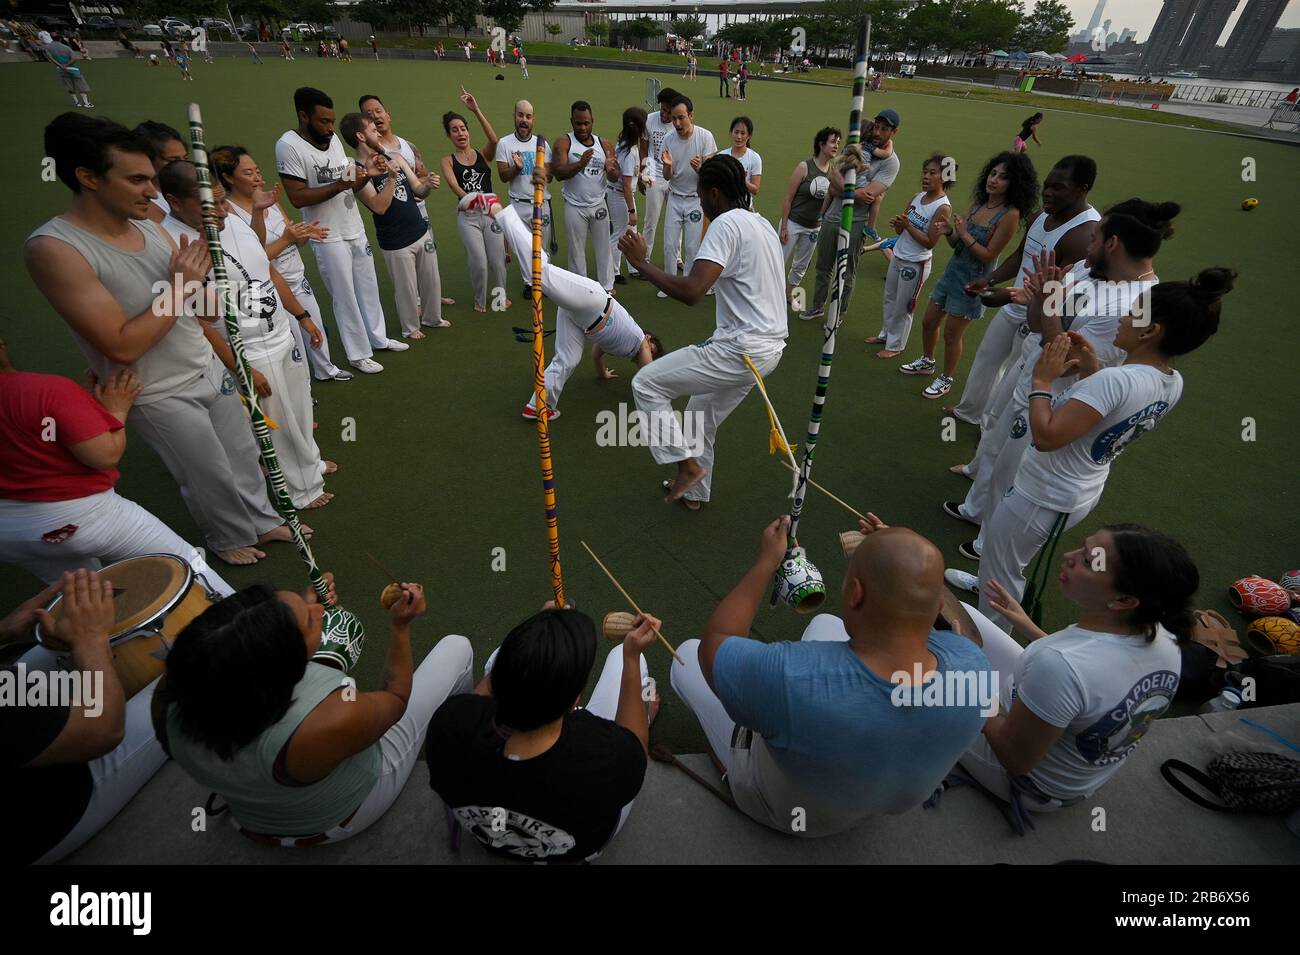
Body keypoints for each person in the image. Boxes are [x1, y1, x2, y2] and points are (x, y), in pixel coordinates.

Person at [26, 113, 296, 567]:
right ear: (88, 178)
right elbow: (122, 344)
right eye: (137, 180)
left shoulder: (148, 225)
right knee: (205, 470)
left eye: (152, 179)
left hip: (204, 363)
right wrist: (182, 288)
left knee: (244, 451)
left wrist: (206, 292)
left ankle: (263, 520)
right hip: (156, 388)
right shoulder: (55, 249)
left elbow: (199, 305)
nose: (153, 192)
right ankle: (226, 536)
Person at [671, 514, 991, 836]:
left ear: (855, 593)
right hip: (875, 803)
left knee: (684, 657)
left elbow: (717, 643)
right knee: (824, 624)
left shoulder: (792, 677)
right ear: (937, 605)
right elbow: (966, 637)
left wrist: (766, 563)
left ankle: (736, 775)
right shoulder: (975, 668)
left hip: (793, 813)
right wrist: (910, 566)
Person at [974, 265, 1231, 632]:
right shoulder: (1170, 381)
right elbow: (1108, 415)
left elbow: (1046, 437)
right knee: (1006, 562)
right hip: (1075, 489)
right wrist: (1092, 369)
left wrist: (1042, 381)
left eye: (1134, 312)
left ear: (1152, 330)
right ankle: (990, 591)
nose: (1125, 317)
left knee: (1002, 569)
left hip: (1043, 494)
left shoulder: (1116, 381)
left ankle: (991, 645)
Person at [154, 580, 473, 844]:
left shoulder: (173, 691)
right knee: (457, 648)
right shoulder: (329, 720)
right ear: (282, 665)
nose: (319, 610)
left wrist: (299, 603)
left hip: (252, 817)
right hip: (338, 816)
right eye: (309, 619)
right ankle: (462, 746)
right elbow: (396, 698)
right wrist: (401, 627)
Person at [947, 198, 1167, 576]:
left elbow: (1064, 355)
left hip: (1053, 399)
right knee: (995, 450)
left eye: (1095, 237)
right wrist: (1043, 300)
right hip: (1034, 373)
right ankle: (976, 510)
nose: (1087, 245)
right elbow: (1039, 323)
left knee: (1012, 475)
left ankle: (988, 547)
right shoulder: (1091, 269)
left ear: (1114, 244)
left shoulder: (1131, 304)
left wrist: (1047, 302)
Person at [964, 525, 1194, 811]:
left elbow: (1014, 759)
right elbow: (1083, 675)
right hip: (1070, 771)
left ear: (1124, 600)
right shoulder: (1164, 637)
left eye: (1087, 561)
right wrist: (1027, 625)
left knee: (921, 673)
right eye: (1082, 549)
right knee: (964, 615)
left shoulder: (1059, 665)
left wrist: (970, 689)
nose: (1068, 556)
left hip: (1024, 783)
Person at [159, 160, 335, 512]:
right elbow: (199, 321)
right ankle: (299, 489)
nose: (222, 211)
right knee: (275, 422)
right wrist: (239, 366)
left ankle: (310, 464)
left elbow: (265, 268)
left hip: (279, 332)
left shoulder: (232, 220)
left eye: (224, 201)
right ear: (176, 202)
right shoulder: (172, 243)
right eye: (211, 205)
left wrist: (301, 315)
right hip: (248, 349)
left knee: (298, 406)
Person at [0, 338, 232, 594]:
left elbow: (39, 435)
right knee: (185, 566)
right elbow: (104, 455)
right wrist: (115, 411)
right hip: (82, 516)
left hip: (8, 536)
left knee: (88, 598)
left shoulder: (44, 394)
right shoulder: (45, 390)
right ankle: (251, 629)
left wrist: (82, 412)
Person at [426, 605, 655, 862]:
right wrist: (632, 656)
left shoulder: (448, 725)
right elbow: (635, 744)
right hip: (578, 851)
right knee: (621, 658)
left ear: (501, 680)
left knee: (494, 657)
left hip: (488, 838)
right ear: (573, 703)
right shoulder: (602, 753)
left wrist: (538, 638)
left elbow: (480, 698)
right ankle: (645, 712)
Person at [618, 155, 784, 508]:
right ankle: (695, 491)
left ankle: (688, 467)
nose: (700, 204)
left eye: (699, 195)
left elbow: (693, 292)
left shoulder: (725, 225)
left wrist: (641, 264)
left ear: (713, 193)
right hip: (769, 350)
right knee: (698, 414)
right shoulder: (763, 224)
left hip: (742, 349)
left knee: (646, 383)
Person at [2, 570, 169, 863]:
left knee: (52, 648)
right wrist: (90, 640)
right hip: (52, 805)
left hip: (11, 701)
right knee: (201, 661)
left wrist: (3, 631)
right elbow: (103, 729)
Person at [945, 155, 1099, 437]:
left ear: (1082, 189)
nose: (1049, 193)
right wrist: (989, 279)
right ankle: (968, 411)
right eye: (1047, 186)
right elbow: (1021, 255)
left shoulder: (1084, 233)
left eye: (1059, 188)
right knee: (988, 357)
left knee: (1013, 379)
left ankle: (990, 431)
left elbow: (1063, 292)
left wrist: (1007, 295)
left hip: (1043, 320)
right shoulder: (1042, 215)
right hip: (1014, 303)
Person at [485, 188, 660, 419]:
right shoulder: (639, 340)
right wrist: (656, 400)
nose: (650, 352)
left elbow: (597, 354)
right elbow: (648, 373)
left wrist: (603, 373)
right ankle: (501, 211)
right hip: (594, 300)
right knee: (541, 271)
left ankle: (538, 404)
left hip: (580, 319)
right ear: (649, 339)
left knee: (568, 359)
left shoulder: (622, 347)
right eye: (653, 348)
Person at [276, 86, 408, 375]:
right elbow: (297, 196)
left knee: (368, 285)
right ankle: (359, 354)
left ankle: (379, 337)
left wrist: (364, 177)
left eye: (332, 121)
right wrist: (341, 184)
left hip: (352, 226)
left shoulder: (333, 138)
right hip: (326, 233)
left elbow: (345, 178)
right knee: (344, 294)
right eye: (323, 121)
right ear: (303, 116)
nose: (330, 128)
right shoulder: (288, 145)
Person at [899, 151, 1035, 398]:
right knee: (929, 321)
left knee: (953, 334)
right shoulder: (978, 204)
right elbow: (956, 245)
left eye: (1003, 177)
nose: (994, 180)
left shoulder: (1010, 215)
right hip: (953, 272)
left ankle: (946, 377)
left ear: (1014, 183)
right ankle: (928, 360)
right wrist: (950, 232)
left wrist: (963, 233)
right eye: (993, 173)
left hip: (973, 280)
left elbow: (989, 255)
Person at [212, 145, 352, 383]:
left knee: (315, 326)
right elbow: (253, 258)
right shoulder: (229, 213)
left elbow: (295, 241)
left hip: (297, 278)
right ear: (228, 178)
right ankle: (304, 388)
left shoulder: (271, 200)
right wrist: (286, 237)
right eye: (248, 173)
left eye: (257, 170)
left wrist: (303, 235)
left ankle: (326, 369)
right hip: (271, 289)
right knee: (293, 341)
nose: (257, 177)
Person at [339, 112, 450, 338]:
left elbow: (417, 188)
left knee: (432, 279)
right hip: (395, 241)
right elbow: (378, 206)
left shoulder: (394, 157)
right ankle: (410, 328)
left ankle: (432, 318)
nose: (378, 132)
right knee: (406, 289)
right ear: (360, 136)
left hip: (419, 230)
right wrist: (390, 179)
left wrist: (428, 184)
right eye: (371, 129)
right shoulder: (355, 171)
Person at [804, 110, 901, 321]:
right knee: (823, 267)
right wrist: (851, 192)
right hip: (832, 217)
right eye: (876, 126)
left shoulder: (891, 162)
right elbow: (833, 176)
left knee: (846, 272)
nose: (878, 132)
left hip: (856, 223)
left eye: (884, 129)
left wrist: (845, 190)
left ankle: (838, 312)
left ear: (894, 132)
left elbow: (869, 194)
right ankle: (817, 306)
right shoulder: (857, 146)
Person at [866, 153, 951, 359]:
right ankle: (886, 334)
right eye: (925, 172)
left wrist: (908, 226)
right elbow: (901, 230)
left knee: (904, 306)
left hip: (916, 263)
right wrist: (899, 225)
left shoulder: (942, 207)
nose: (926, 177)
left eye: (932, 173)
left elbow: (930, 241)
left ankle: (895, 345)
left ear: (944, 177)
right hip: (899, 256)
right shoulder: (917, 197)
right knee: (890, 298)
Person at [440, 87, 509, 313]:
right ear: (449, 135)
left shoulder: (483, 155)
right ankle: (480, 300)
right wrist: (475, 200)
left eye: (463, 129)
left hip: (491, 213)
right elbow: (454, 186)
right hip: (468, 216)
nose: (460, 133)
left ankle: (500, 298)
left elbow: (494, 139)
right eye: (454, 130)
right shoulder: (447, 161)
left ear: (468, 131)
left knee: (498, 261)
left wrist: (476, 110)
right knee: (479, 262)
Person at [552, 101, 619, 295]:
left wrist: (611, 169)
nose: (583, 127)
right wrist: (580, 164)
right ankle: (580, 288)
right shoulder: (564, 142)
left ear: (593, 121)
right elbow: (559, 173)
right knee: (576, 250)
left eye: (587, 123)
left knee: (604, 247)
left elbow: (615, 177)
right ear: (571, 121)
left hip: (599, 203)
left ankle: (607, 287)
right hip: (574, 205)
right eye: (578, 123)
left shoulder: (603, 144)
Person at [655, 95, 717, 301]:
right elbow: (666, 176)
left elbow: (711, 173)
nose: (677, 123)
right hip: (674, 197)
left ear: (691, 116)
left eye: (681, 117)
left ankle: (691, 285)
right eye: (674, 118)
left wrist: (701, 168)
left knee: (692, 246)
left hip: (695, 199)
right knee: (670, 244)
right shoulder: (668, 139)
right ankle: (669, 284)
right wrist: (668, 165)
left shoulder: (705, 137)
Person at [778, 127, 839, 312]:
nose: (836, 145)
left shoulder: (834, 172)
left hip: (814, 227)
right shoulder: (804, 167)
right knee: (778, 260)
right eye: (832, 141)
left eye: (838, 142)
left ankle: (790, 294)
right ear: (821, 144)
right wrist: (784, 227)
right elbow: (788, 197)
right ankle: (767, 294)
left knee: (801, 265)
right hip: (793, 223)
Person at [494, 99, 554, 270]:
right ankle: (529, 284)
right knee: (524, 248)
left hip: (541, 204)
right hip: (519, 204)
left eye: (528, 117)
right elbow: (503, 176)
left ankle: (544, 282)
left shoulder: (541, 144)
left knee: (543, 249)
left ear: (533, 120)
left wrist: (543, 174)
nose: (524, 120)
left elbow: (550, 176)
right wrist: (516, 168)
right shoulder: (504, 143)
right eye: (520, 115)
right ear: (514, 116)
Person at [639, 87, 681, 278]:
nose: (664, 115)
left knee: (676, 219)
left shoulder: (679, 124)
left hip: (673, 176)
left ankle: (677, 257)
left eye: (668, 111)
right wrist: (642, 173)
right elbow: (644, 148)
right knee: (651, 220)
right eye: (662, 110)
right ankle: (644, 259)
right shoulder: (650, 120)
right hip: (653, 175)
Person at [608, 107, 644, 285]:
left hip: (620, 193)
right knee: (620, 234)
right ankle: (613, 272)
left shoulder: (624, 142)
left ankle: (634, 267)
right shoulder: (629, 152)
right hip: (620, 195)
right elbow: (627, 186)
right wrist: (632, 211)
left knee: (630, 232)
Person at [132, 120, 187, 223]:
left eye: (185, 158)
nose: (183, 165)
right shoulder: (146, 203)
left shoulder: (190, 191)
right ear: (148, 159)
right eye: (173, 160)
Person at [717, 116, 762, 203]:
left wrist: (740, 179)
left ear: (749, 136)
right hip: (724, 206)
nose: (739, 137)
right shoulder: (721, 156)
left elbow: (755, 189)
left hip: (744, 206)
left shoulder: (754, 158)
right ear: (731, 133)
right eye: (736, 132)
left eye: (743, 133)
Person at [43, 33, 93, 108]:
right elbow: (74, 58)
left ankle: (77, 103)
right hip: (73, 68)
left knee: (68, 85)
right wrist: (66, 65)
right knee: (81, 85)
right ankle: (86, 103)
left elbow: (51, 59)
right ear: (60, 39)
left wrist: (61, 66)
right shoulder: (66, 47)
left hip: (61, 70)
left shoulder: (48, 48)